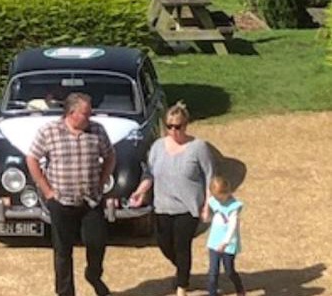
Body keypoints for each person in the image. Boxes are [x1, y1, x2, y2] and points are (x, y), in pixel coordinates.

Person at [27, 93, 115, 296]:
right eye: (86, 113)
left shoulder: (97, 130)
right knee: (63, 250)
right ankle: (65, 292)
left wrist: (102, 182)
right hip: (61, 201)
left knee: (97, 242)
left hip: (91, 200)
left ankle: (93, 274)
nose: (90, 116)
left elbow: (110, 156)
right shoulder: (49, 132)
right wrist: (47, 190)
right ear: (71, 113)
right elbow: (32, 158)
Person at [129, 102, 214, 296]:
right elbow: (149, 174)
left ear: (186, 125)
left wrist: (207, 206)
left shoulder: (198, 147)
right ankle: (183, 269)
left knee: (182, 246)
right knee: (164, 244)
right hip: (163, 206)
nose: (173, 131)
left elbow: (210, 176)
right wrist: (141, 191)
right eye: (169, 126)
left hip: (188, 208)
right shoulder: (158, 147)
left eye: (178, 126)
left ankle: (181, 286)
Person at [206, 175, 246, 296]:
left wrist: (225, 242)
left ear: (227, 192)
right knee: (213, 272)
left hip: (228, 244)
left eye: (220, 197)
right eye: (216, 197)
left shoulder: (233, 207)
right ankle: (212, 293)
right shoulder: (214, 201)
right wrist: (206, 213)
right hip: (214, 241)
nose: (218, 200)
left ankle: (240, 289)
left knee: (229, 270)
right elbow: (208, 201)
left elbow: (232, 226)